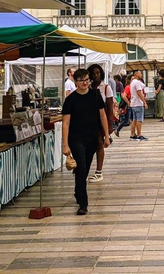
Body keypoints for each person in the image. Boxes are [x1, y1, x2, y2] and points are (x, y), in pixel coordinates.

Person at [61, 68, 110, 215]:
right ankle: (83, 203)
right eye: (82, 80)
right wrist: (65, 144)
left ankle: (78, 190)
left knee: (85, 167)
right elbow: (65, 123)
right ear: (75, 82)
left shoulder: (95, 95)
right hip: (76, 139)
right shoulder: (70, 100)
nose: (85, 83)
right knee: (81, 167)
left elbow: (102, 116)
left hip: (92, 138)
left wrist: (106, 135)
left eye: (87, 80)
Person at [87, 64, 114, 183]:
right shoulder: (88, 87)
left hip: (101, 120)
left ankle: (99, 171)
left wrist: (109, 125)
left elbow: (109, 108)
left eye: (97, 73)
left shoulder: (106, 87)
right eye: (93, 73)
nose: (95, 75)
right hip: (89, 119)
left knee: (99, 143)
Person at [129, 70, 148, 141]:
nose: (141, 75)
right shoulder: (136, 83)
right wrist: (144, 102)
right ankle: (139, 135)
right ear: (136, 74)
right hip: (138, 103)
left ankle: (132, 134)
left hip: (133, 103)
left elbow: (143, 85)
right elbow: (139, 93)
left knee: (134, 119)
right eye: (140, 73)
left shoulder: (132, 82)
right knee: (139, 120)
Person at [115, 73, 132, 137]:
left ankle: (118, 129)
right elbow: (124, 96)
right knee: (127, 120)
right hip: (128, 105)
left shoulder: (130, 87)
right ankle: (118, 129)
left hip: (129, 105)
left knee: (128, 120)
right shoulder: (128, 87)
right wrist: (128, 103)